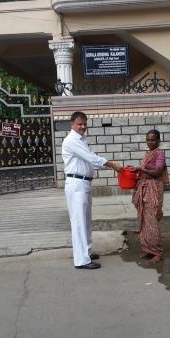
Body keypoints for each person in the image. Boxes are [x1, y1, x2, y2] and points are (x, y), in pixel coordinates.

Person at [62, 111, 122, 270]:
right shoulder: (71, 141)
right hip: (76, 185)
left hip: (84, 184)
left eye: (84, 124)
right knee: (79, 222)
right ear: (72, 124)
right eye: (79, 124)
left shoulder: (82, 140)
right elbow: (92, 158)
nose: (82, 127)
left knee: (86, 220)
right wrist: (111, 164)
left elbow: (91, 159)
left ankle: (86, 252)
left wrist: (103, 163)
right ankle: (81, 260)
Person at [131, 129, 168, 265]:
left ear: (159, 141)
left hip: (153, 188)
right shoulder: (148, 153)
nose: (150, 142)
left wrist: (142, 169)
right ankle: (148, 248)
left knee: (152, 219)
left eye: (153, 140)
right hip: (144, 188)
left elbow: (158, 171)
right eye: (148, 140)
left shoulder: (159, 154)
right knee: (144, 219)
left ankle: (157, 252)